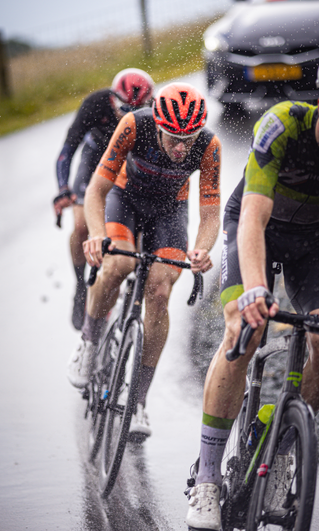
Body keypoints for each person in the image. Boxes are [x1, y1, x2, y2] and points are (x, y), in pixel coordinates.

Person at [186, 48, 319, 531]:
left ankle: (282, 448)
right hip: (255, 227)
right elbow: (254, 217)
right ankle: (206, 476)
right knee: (245, 332)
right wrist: (256, 291)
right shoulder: (282, 127)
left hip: (315, 238)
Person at [67, 82, 222, 440]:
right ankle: (89, 344)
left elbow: (210, 214)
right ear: (158, 124)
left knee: (159, 289)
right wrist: (94, 233)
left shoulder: (208, 145)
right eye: (172, 138)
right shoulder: (135, 125)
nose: (181, 147)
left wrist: (200, 249)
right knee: (118, 265)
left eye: (189, 138)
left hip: (170, 210)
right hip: (125, 199)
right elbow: (96, 190)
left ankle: (137, 400)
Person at [53, 68, 155, 330]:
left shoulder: (153, 111)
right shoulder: (95, 104)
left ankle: (119, 286)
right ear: (112, 99)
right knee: (81, 225)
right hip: (95, 159)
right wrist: (64, 188)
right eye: (124, 109)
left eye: (138, 109)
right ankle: (80, 285)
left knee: (135, 226)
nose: (129, 116)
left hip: (127, 164)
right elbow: (68, 149)